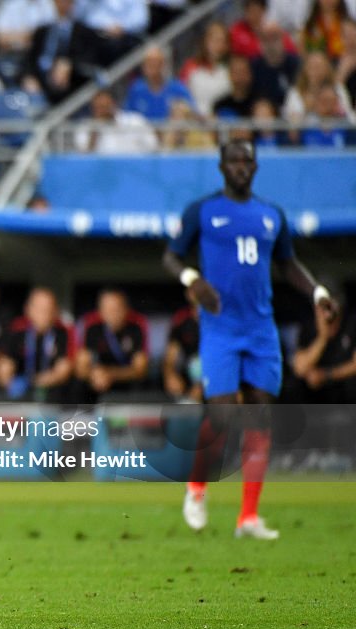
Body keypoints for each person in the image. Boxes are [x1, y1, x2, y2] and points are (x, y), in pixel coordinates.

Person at [164, 138, 338, 539]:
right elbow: (171, 256)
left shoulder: (271, 215)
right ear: (221, 167)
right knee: (223, 415)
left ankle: (248, 517)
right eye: (234, 160)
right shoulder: (202, 211)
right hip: (221, 327)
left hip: (261, 329)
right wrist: (193, 279)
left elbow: (288, 263)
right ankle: (196, 487)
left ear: (256, 167)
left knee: (260, 414)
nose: (241, 166)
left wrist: (317, 293)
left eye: (248, 160)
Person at [0, 287, 74, 403]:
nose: (44, 315)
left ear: (56, 311)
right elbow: (4, 367)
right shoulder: (17, 330)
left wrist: (30, 382)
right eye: (39, 309)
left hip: (55, 400)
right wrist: (9, 382)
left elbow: (62, 372)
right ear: (28, 309)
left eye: (48, 309)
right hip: (20, 399)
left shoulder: (64, 332)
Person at [74, 288, 149, 402]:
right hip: (98, 383)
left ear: (125, 309)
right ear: (100, 311)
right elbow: (81, 368)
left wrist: (110, 374)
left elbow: (140, 370)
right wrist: (94, 375)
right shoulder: (92, 328)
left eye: (116, 309)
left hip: (127, 386)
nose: (112, 314)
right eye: (108, 309)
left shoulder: (136, 327)